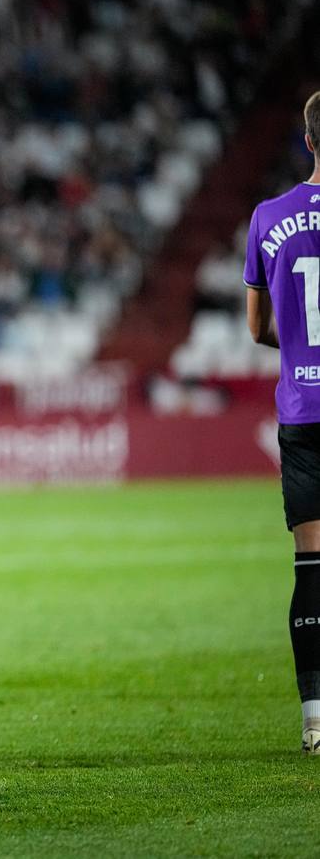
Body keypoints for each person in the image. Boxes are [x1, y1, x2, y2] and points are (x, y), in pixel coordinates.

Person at [245, 89, 320, 754]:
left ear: (307, 141)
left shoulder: (269, 216)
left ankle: (314, 718)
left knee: (312, 567)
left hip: (301, 411)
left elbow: (257, 328)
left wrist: (300, 348)